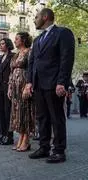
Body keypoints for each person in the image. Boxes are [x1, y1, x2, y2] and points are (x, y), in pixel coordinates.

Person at [26, 8, 75, 163]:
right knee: (42, 118)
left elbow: (66, 59)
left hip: (54, 84)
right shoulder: (37, 40)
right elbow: (32, 62)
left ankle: (59, 151)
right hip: (39, 84)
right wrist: (29, 82)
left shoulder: (62, 33)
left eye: (36, 17)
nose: (34, 19)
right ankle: (44, 147)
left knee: (56, 117)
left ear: (45, 17)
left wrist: (62, 82)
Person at [8, 32, 35, 152]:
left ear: (23, 40)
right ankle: (20, 137)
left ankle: (26, 139)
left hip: (24, 85)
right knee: (17, 112)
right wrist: (9, 87)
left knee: (25, 111)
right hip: (15, 87)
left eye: (17, 39)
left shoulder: (29, 52)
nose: (15, 41)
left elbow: (31, 69)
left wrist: (28, 86)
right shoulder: (16, 54)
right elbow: (11, 71)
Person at [0, 38, 15, 145]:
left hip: (8, 87)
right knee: (1, 111)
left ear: (8, 44)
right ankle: (2, 134)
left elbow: (12, 72)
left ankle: (9, 136)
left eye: (3, 44)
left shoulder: (12, 56)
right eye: (0, 44)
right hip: (0, 89)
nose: (1, 45)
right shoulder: (0, 57)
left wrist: (10, 86)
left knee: (8, 112)